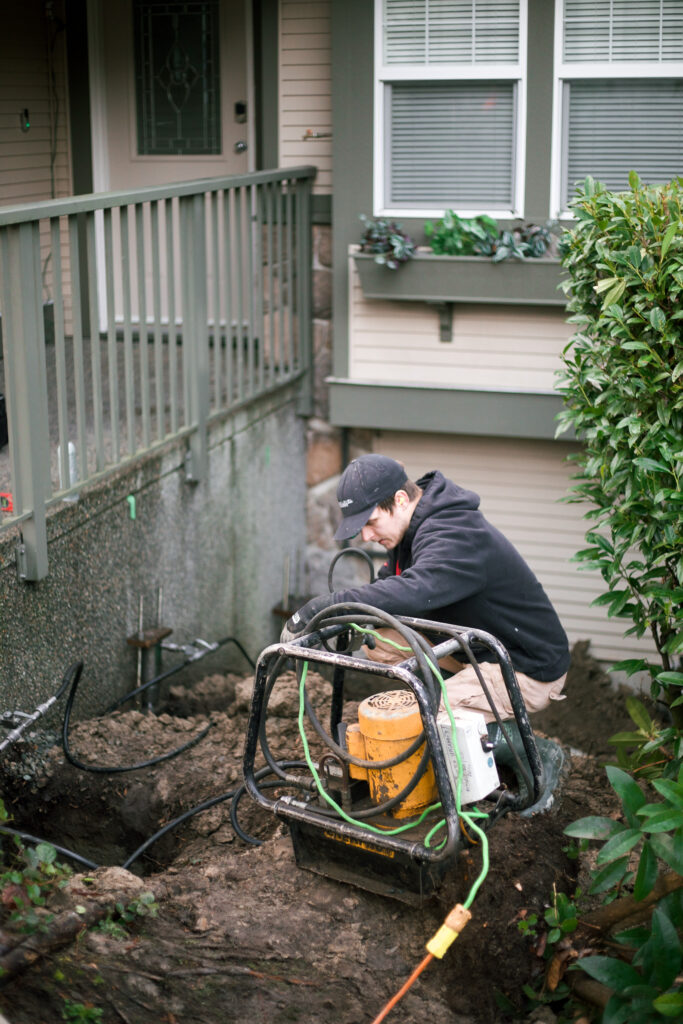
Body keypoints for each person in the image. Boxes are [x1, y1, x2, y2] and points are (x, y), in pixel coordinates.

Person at [283, 454, 570, 723]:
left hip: (523, 668)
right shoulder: (408, 531)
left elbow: (415, 591)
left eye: (371, 522)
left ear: (400, 499)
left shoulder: (455, 533)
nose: (367, 536)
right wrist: (344, 619)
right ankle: (463, 700)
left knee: (424, 720)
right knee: (377, 640)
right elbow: (388, 590)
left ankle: (507, 745)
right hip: (473, 651)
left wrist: (323, 606)